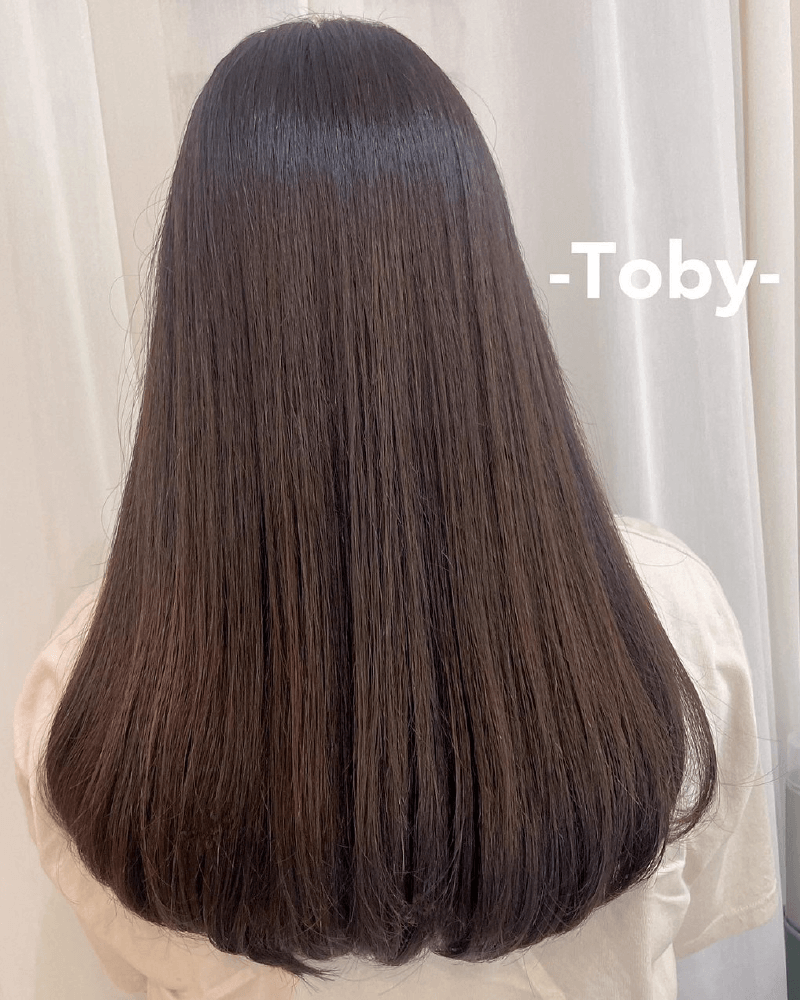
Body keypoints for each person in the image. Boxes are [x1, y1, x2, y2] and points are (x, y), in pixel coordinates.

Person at [13, 14, 778, 999]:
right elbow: (703, 910)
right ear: (483, 289)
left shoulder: (90, 698)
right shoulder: (668, 623)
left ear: (198, 323)